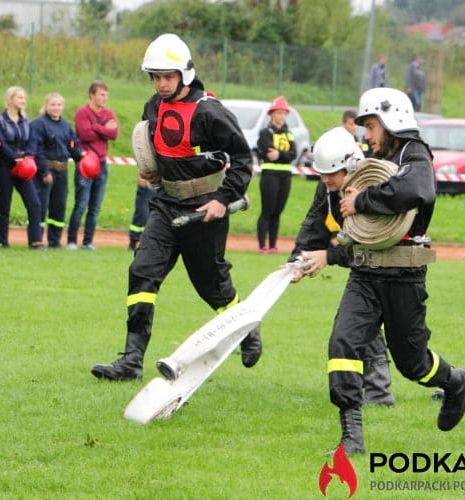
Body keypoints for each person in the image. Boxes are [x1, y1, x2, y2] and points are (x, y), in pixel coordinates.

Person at [305, 87, 465, 455]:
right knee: (342, 343)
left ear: (390, 120)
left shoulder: (416, 155)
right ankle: (351, 432)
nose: (366, 135)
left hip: (404, 275)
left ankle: (455, 381)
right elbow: (331, 199)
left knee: (413, 364)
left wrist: (361, 200)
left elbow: (417, 191)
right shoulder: (372, 160)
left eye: (370, 126)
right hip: (364, 273)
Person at [91, 33, 260, 380]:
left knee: (211, 286)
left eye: (167, 76)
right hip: (166, 205)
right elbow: (154, 148)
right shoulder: (153, 106)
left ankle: (246, 327)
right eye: (156, 77)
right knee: (141, 272)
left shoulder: (210, 112)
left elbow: (243, 158)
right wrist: (149, 169)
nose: (161, 83)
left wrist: (222, 199)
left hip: (204, 209)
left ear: (184, 74)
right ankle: (131, 361)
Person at [288, 127, 395, 407]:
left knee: (409, 348)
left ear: (350, 167)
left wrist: (328, 257)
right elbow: (315, 221)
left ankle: (455, 380)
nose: (325, 180)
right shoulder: (328, 184)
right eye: (321, 175)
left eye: (330, 175)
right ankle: (378, 393)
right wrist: (297, 260)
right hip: (363, 265)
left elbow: (368, 243)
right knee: (357, 325)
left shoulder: (374, 186)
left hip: (391, 265)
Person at [67, 80, 118, 251]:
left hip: (102, 164)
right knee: (81, 203)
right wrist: (102, 128)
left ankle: (88, 242)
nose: (105, 98)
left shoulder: (109, 113)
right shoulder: (83, 112)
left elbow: (114, 133)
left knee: (95, 207)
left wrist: (96, 128)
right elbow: (85, 134)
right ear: (92, 95)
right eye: (102, 94)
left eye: (106, 95)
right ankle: (72, 241)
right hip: (86, 164)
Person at [30, 93, 84, 248]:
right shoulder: (39, 125)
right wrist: (44, 172)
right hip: (46, 171)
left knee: (59, 207)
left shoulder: (66, 126)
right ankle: (36, 239)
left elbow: (73, 145)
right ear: (46, 106)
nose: (56, 108)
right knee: (41, 206)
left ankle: (55, 241)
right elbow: (37, 150)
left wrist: (81, 154)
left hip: (62, 171)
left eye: (59, 105)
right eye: (53, 105)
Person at [0, 86, 43, 249]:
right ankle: (3, 241)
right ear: (10, 99)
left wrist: (27, 157)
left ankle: (35, 240)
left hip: (24, 167)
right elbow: (1, 143)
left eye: (24, 98)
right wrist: (15, 159)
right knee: (5, 203)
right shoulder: (0, 120)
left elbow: (32, 141)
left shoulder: (26, 121)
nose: (23, 101)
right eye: (19, 97)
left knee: (34, 203)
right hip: (6, 166)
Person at [256, 95, 297, 253]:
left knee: (278, 211)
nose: (281, 116)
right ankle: (262, 246)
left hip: (285, 175)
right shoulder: (265, 132)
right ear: (272, 114)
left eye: (284, 113)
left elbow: (294, 154)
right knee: (268, 210)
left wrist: (279, 155)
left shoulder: (289, 134)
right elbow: (266, 150)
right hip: (270, 175)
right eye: (278, 113)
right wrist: (283, 155)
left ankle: (273, 245)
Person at [127, 174, 157, 251]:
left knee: (150, 213)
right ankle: (135, 241)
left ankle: (142, 240)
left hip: (158, 183)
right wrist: (141, 177)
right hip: (149, 181)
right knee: (143, 213)